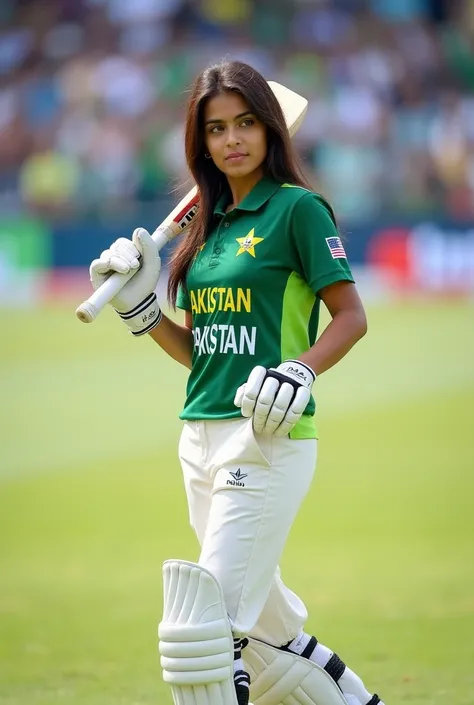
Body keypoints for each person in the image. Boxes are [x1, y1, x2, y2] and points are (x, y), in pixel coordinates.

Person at [89, 60, 385, 705]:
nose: (233, 139)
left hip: (267, 436)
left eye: (246, 122)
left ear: (271, 129)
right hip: (197, 438)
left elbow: (352, 318)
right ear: (201, 143)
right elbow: (203, 351)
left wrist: (300, 369)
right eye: (217, 128)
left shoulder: (297, 210)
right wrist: (142, 311)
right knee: (269, 645)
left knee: (204, 635)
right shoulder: (206, 226)